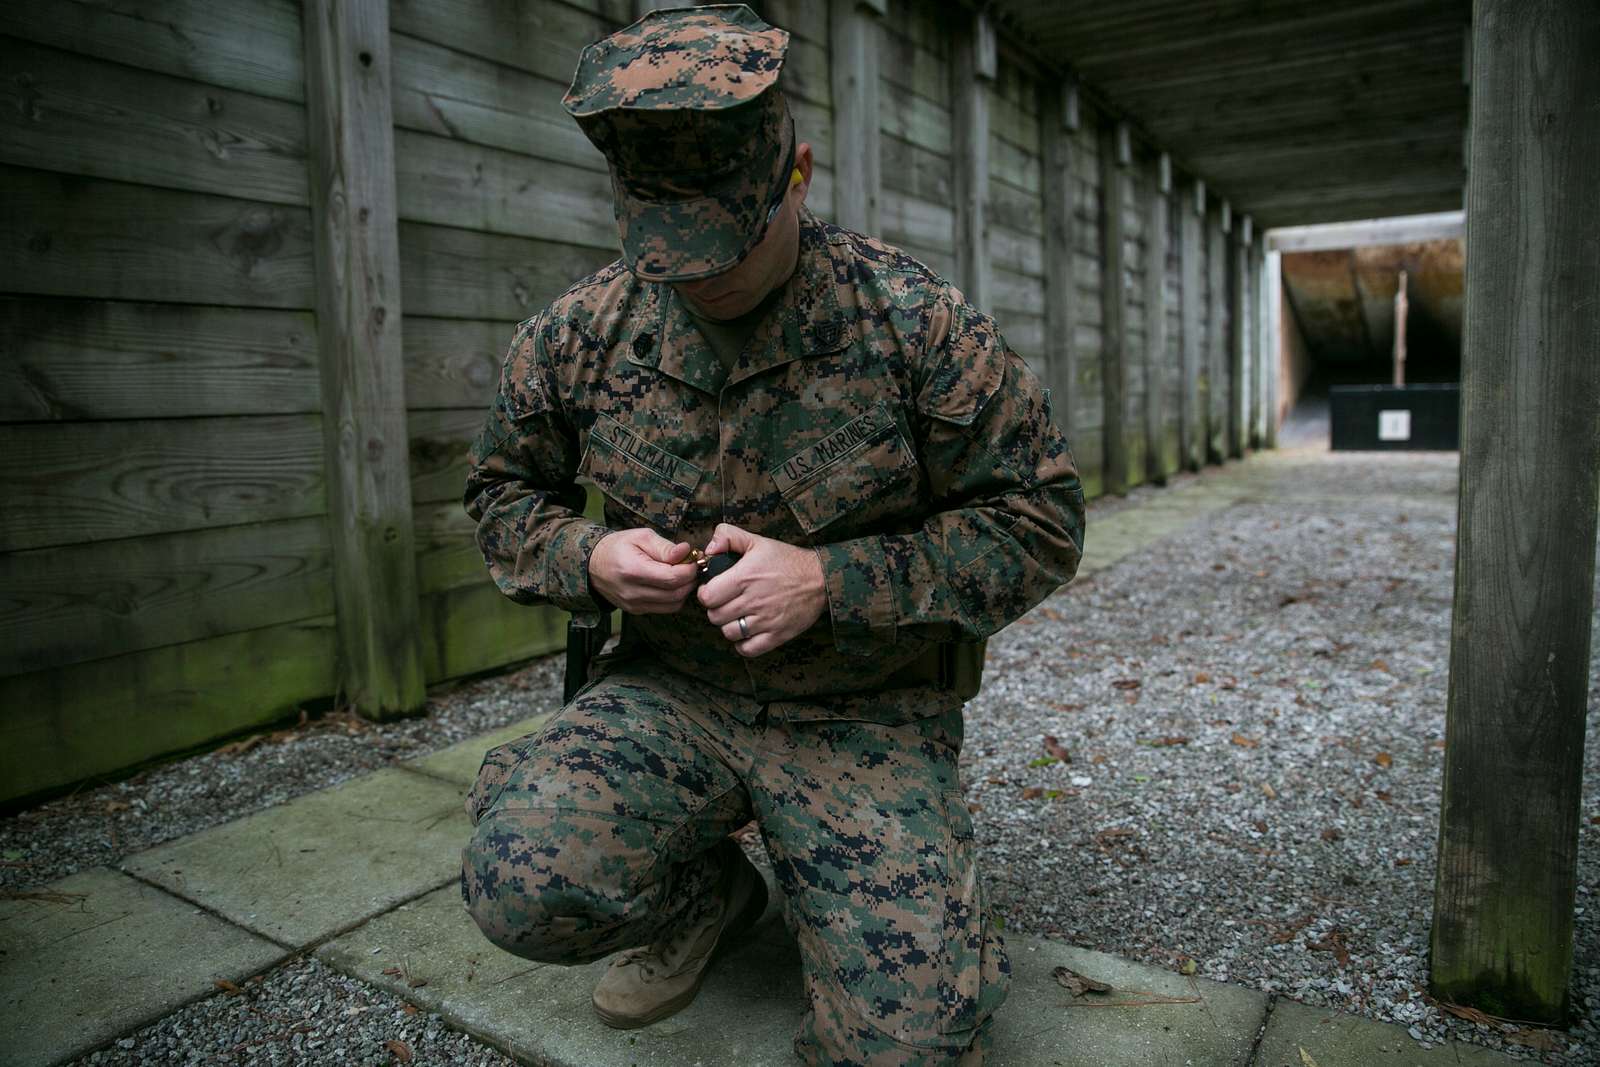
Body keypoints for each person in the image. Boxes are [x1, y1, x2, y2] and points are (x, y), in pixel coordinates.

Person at [457, 6, 1086, 1064]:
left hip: (862, 710)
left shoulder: (912, 322)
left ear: (797, 174)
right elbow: (501, 495)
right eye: (669, 247)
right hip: (672, 692)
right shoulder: (578, 334)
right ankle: (704, 897)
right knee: (522, 883)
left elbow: (1040, 520)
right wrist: (590, 558)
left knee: (910, 1044)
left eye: (726, 243)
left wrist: (834, 580)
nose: (699, 277)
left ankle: (882, 904)